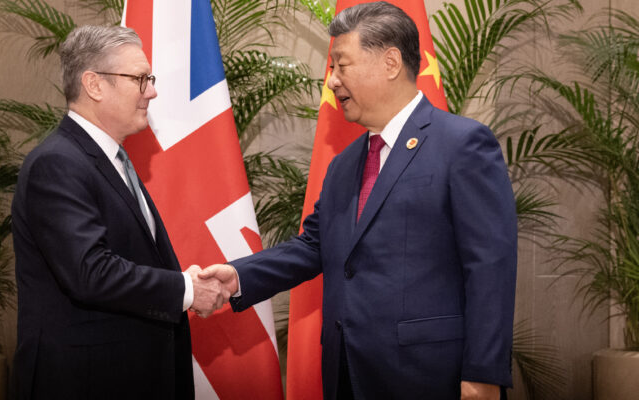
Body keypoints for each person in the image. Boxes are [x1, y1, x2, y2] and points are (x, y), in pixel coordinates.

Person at [200, 3, 517, 399]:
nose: (331, 81)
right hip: (347, 371)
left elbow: (490, 265)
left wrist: (483, 374)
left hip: (429, 375)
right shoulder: (344, 164)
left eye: (340, 65)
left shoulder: (462, 144)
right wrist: (240, 276)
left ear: (389, 62)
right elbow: (314, 246)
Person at [10, 25, 224, 400]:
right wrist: (186, 289)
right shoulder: (58, 164)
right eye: (141, 79)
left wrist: (178, 280)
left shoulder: (110, 160)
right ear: (94, 85)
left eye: (150, 79)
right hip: (85, 382)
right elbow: (90, 272)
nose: (153, 91)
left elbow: (129, 255)